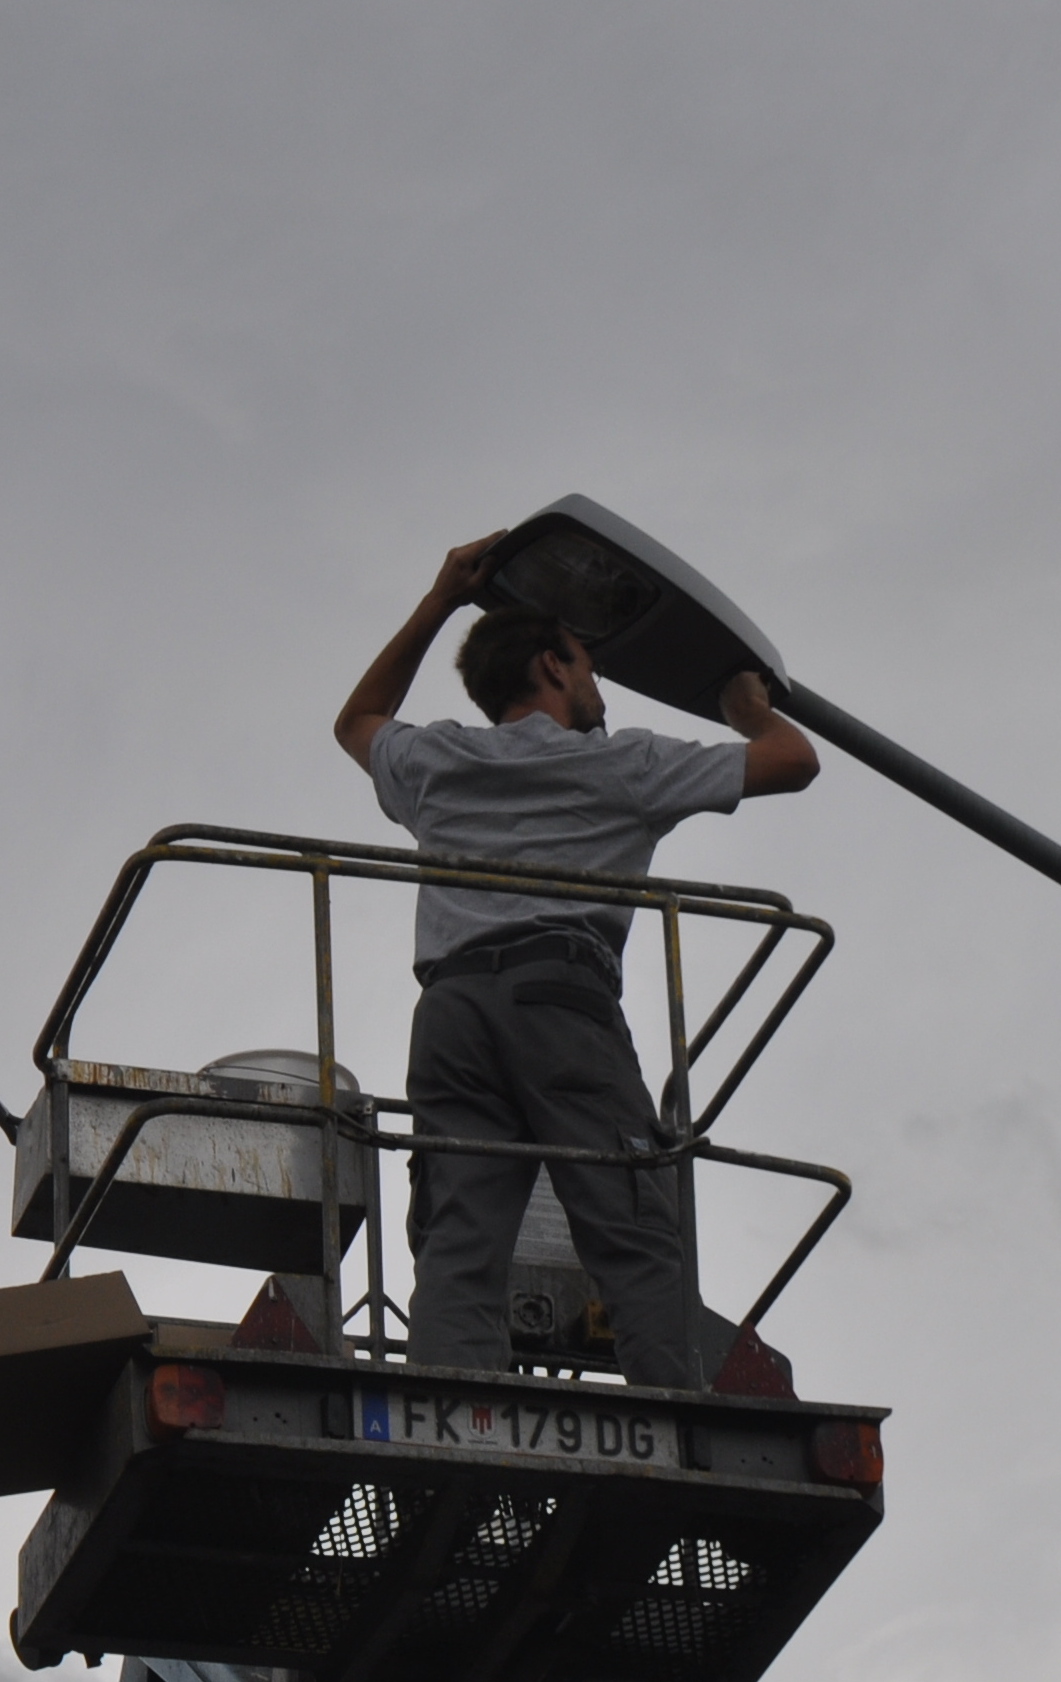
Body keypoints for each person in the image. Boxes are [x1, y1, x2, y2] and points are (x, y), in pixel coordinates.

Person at [334, 531, 820, 1386]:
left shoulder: (434, 760)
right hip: (560, 998)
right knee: (631, 1227)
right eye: (590, 668)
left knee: (458, 1239)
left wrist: (442, 598)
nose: (599, 689)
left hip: (449, 1012)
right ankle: (679, 1421)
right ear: (554, 666)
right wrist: (746, 707)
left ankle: (455, 1420)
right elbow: (795, 761)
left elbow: (356, 721)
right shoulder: (624, 765)